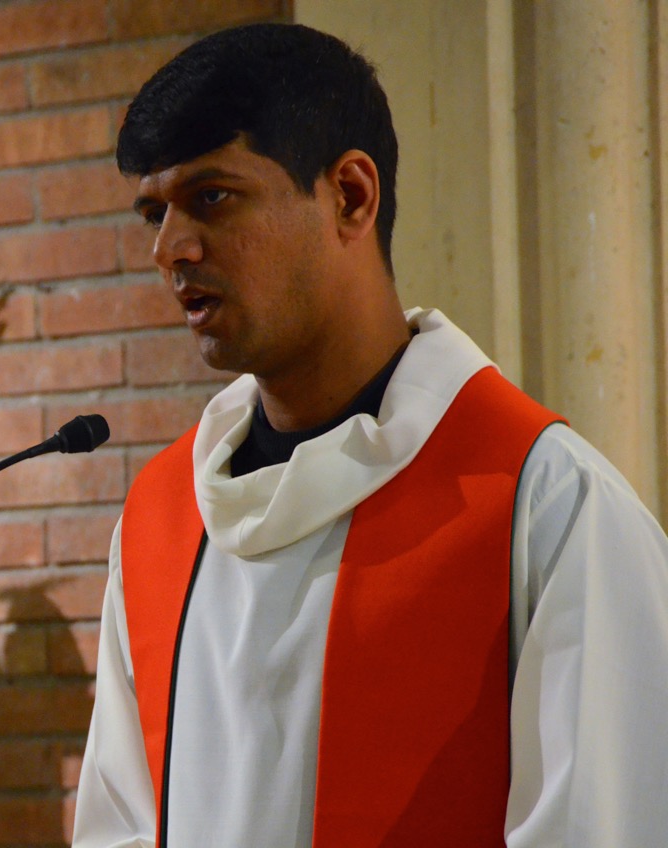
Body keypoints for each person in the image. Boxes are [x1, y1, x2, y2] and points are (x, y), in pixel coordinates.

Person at [72, 22, 668, 848]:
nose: (169, 249)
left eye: (212, 197)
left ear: (351, 196)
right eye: (153, 212)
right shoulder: (158, 525)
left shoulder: (549, 509)